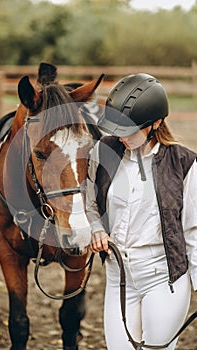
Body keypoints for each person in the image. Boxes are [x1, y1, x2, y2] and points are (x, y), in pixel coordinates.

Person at [86, 73, 197, 350]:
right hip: (118, 275)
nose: (120, 136)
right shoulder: (103, 151)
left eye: (128, 130)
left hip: (163, 276)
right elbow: (88, 201)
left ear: (156, 123)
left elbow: (193, 231)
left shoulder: (185, 164)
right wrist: (96, 229)